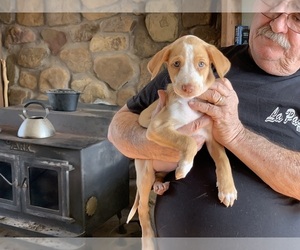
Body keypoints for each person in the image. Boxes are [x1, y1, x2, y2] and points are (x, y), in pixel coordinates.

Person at [108, 1, 300, 237]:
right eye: (273, 6)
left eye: (297, 18)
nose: (277, 24)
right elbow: (118, 127)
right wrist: (158, 146)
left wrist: (236, 135)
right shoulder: (199, 63)